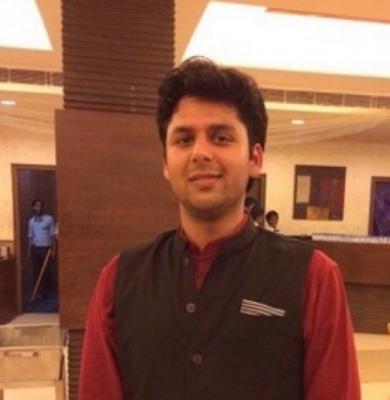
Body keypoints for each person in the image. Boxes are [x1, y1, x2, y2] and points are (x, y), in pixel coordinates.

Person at [79, 57, 360, 400]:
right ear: (166, 163)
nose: (200, 153)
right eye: (184, 139)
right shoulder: (119, 280)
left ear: (254, 158)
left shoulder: (313, 277)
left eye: (221, 137)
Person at [27, 198, 56, 299]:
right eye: (36, 206)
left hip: (46, 250)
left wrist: (53, 250)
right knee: (36, 271)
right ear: (33, 207)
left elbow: (53, 236)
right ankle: (38, 292)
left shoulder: (49, 219)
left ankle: (47, 292)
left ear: (42, 207)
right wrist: (29, 252)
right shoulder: (31, 222)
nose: (38, 208)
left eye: (40, 206)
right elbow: (30, 237)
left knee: (46, 272)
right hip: (35, 249)